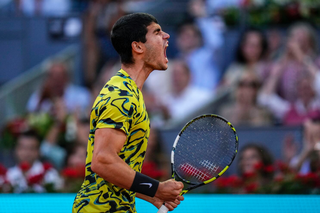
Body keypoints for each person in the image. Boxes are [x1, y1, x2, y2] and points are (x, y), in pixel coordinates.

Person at [72, 13, 184, 213]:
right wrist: (157, 188)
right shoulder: (121, 95)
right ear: (138, 46)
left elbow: (115, 167)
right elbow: (103, 161)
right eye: (157, 32)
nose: (166, 36)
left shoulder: (129, 92)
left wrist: (153, 194)